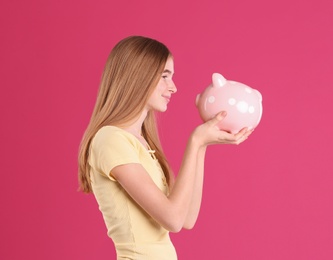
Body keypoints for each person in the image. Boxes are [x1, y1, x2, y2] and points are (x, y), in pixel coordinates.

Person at [78, 36, 252, 260]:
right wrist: (195, 141)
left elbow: (187, 217)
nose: (174, 87)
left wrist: (202, 146)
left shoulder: (144, 142)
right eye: (164, 76)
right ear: (137, 77)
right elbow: (173, 219)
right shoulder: (110, 139)